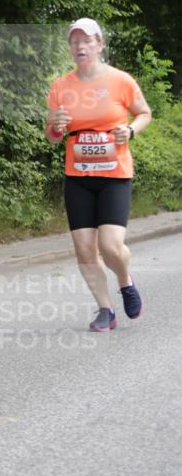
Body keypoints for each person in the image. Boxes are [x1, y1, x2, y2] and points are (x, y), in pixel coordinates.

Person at [46, 18, 152, 332]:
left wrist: (130, 130)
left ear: (100, 44)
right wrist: (56, 124)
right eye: (75, 41)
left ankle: (125, 281)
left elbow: (144, 113)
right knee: (83, 248)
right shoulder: (61, 86)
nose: (80, 46)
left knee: (110, 245)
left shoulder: (120, 80)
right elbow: (52, 136)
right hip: (77, 176)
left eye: (87, 40)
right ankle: (106, 309)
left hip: (114, 175)